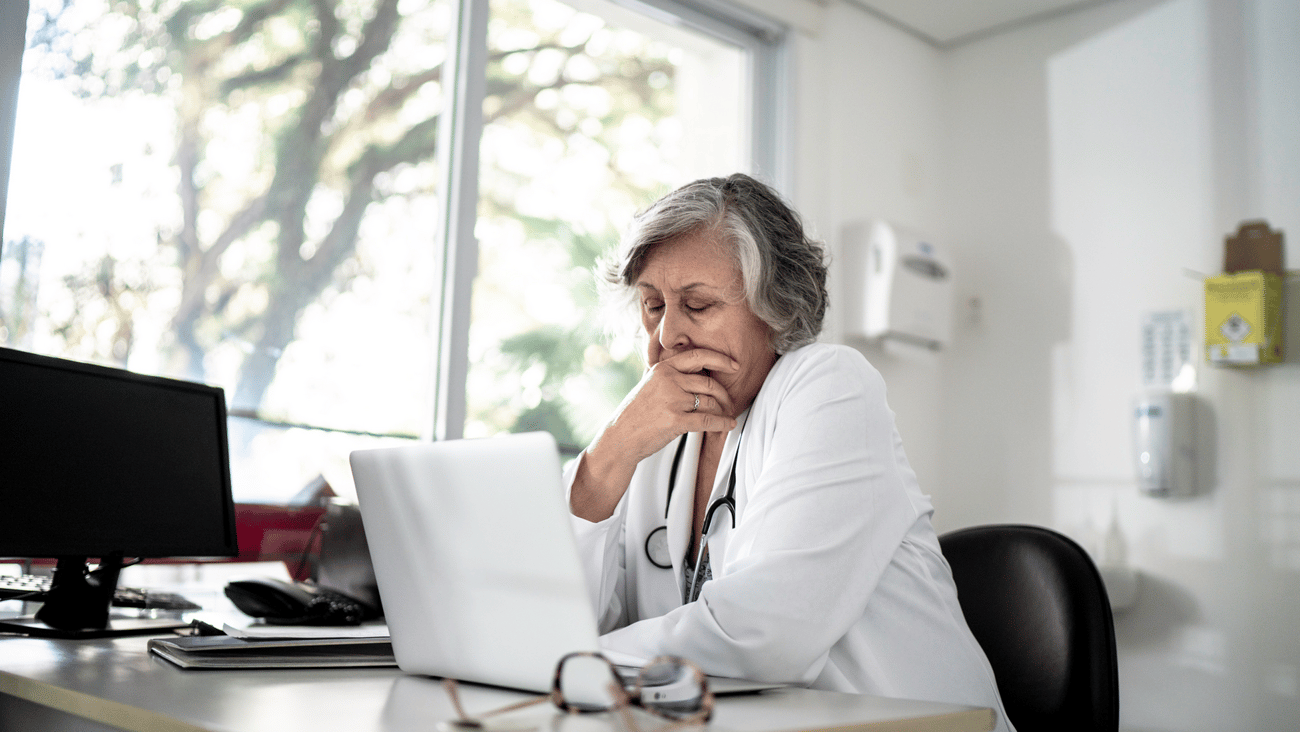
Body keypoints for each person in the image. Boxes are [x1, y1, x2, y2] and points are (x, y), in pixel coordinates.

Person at [564, 173, 1012, 731]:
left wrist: (577, 660)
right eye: (652, 306)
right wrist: (610, 454)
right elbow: (560, 620)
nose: (666, 336)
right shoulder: (655, 436)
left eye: (697, 305)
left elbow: (765, 638)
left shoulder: (830, 386)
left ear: (776, 308)